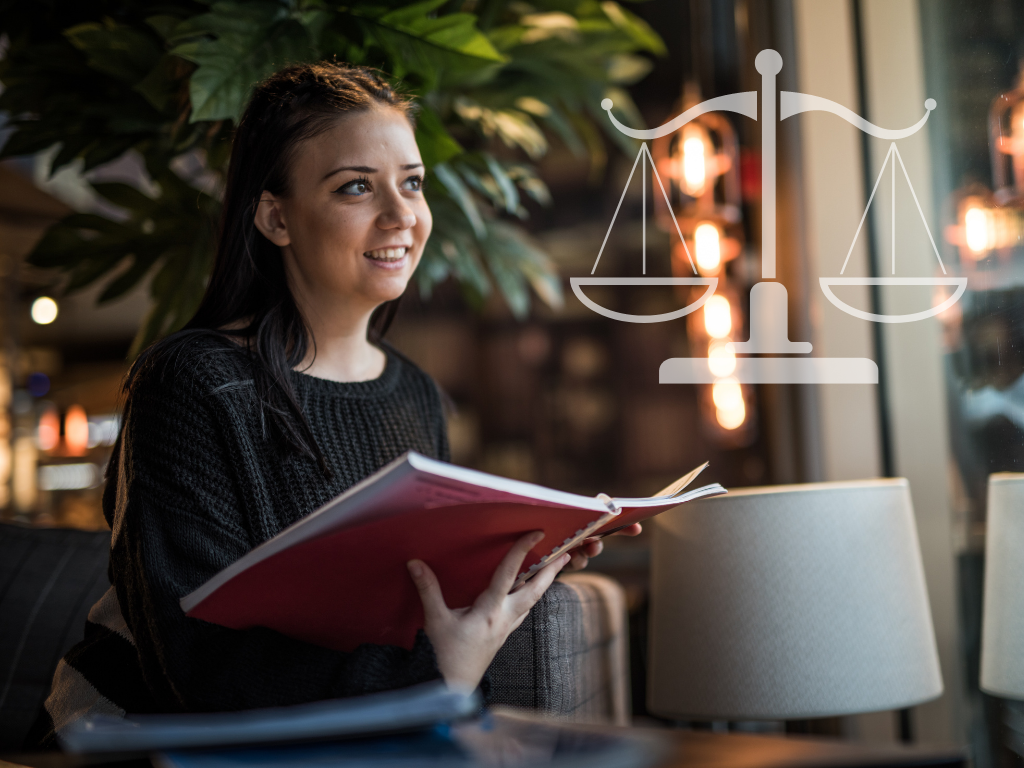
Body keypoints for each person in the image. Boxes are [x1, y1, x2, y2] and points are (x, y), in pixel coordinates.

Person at [30, 62, 639, 746]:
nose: (402, 215)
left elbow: (410, 597)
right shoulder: (192, 383)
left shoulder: (414, 394)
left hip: (365, 733)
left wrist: (518, 555)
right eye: (357, 187)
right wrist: (438, 669)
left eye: (411, 183)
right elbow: (194, 665)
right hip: (152, 740)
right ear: (276, 216)